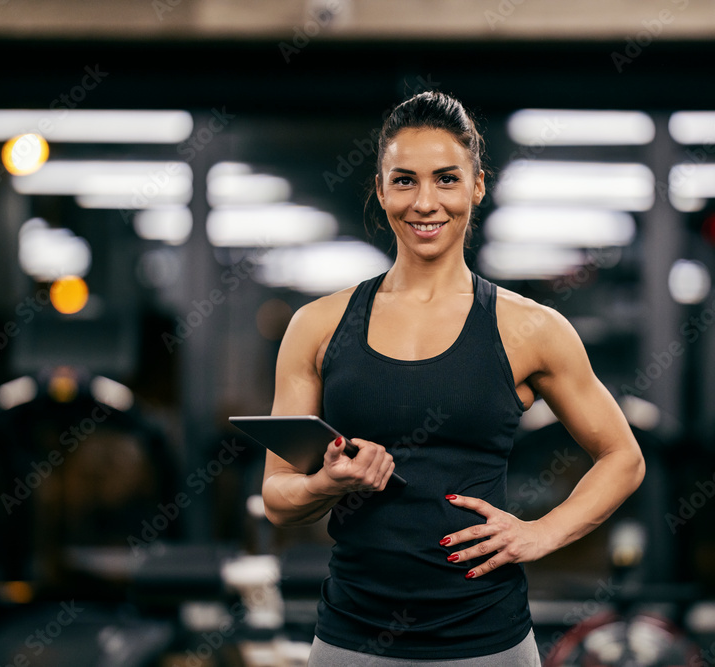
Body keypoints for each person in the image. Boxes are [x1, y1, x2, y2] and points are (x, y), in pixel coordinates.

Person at [261, 90, 645, 666]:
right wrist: (328, 484)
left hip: (487, 641)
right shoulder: (316, 326)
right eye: (405, 180)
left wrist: (541, 533)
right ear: (381, 189)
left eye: (446, 179)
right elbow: (276, 496)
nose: (425, 202)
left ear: (477, 186)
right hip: (351, 637)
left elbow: (623, 458)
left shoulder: (531, 329)